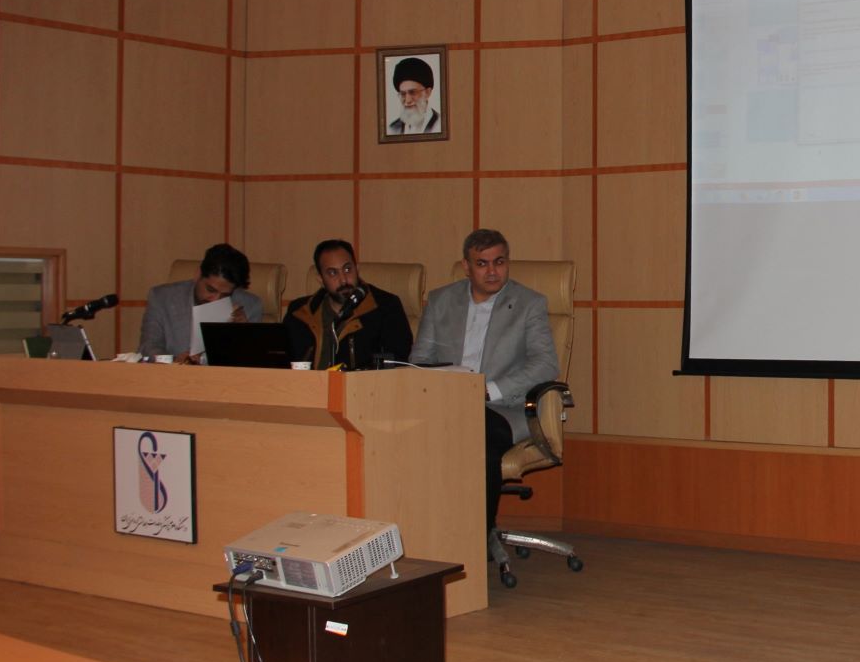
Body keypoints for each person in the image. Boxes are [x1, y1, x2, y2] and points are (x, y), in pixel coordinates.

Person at [411, 229, 559, 544]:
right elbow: (420, 361)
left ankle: (477, 539)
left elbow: (545, 365)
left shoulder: (529, 303)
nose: (492, 271)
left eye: (499, 262)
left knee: (479, 444)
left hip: (504, 408)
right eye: (482, 264)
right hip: (448, 404)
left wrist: (488, 390)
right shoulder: (440, 301)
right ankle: (426, 532)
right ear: (466, 267)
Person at [283, 239, 413, 370]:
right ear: (320, 279)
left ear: (357, 269)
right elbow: (281, 364)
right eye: (333, 273)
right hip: (304, 383)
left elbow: (398, 365)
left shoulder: (385, 308)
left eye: (347, 269)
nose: (343, 280)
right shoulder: (299, 313)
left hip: (363, 383)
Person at [138, 243, 264, 362]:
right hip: (171, 374)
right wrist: (174, 362)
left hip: (223, 376)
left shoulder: (250, 306)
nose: (215, 299)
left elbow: (254, 360)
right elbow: (149, 346)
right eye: (211, 290)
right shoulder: (162, 297)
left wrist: (243, 333)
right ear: (198, 274)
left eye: (226, 295)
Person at [387, 56, 440, 135]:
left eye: (413, 92)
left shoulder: (440, 124)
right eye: (403, 94)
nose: (407, 100)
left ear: (427, 92)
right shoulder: (393, 129)